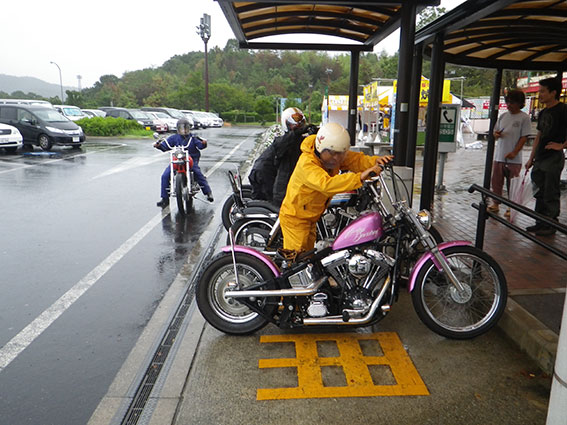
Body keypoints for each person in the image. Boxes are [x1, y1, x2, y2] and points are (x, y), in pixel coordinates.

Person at [279, 122, 393, 253]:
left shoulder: (331, 156)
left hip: (310, 216)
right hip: (295, 218)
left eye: (341, 153)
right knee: (296, 258)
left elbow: (355, 160)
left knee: (308, 256)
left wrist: (375, 161)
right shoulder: (307, 164)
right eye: (333, 153)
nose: (337, 158)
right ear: (321, 148)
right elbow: (327, 184)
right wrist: (359, 177)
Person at [248, 107, 317, 207]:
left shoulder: (297, 141)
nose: (298, 127)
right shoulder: (284, 141)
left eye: (301, 124)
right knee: (274, 206)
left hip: (276, 176)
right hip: (264, 175)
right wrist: (299, 132)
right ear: (286, 124)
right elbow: (284, 142)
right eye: (294, 124)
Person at [525, 77, 567, 236]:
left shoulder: (563, 110)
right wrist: (531, 157)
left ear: (553, 92)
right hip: (540, 157)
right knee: (539, 190)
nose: (540, 94)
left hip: (553, 157)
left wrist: (562, 145)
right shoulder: (543, 112)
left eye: (543, 91)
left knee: (551, 191)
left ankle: (551, 223)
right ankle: (540, 221)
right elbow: (539, 135)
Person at [488, 89, 532, 217]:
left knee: (512, 183)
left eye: (512, 103)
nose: (509, 105)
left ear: (520, 103)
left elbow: (524, 137)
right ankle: (495, 203)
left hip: (514, 158)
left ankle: (511, 206)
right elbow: (495, 132)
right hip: (499, 155)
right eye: (508, 102)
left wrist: (514, 152)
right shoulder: (503, 116)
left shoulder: (524, 118)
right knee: (496, 181)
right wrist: (496, 134)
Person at [154, 118, 213, 207]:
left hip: (191, 159)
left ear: (189, 128)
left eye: (186, 128)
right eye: (182, 128)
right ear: (178, 129)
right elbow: (165, 146)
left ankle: (208, 192)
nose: (184, 130)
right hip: (178, 159)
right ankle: (164, 199)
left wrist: (204, 143)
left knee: (197, 172)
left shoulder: (193, 137)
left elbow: (201, 146)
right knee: (165, 175)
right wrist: (159, 146)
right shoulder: (174, 137)